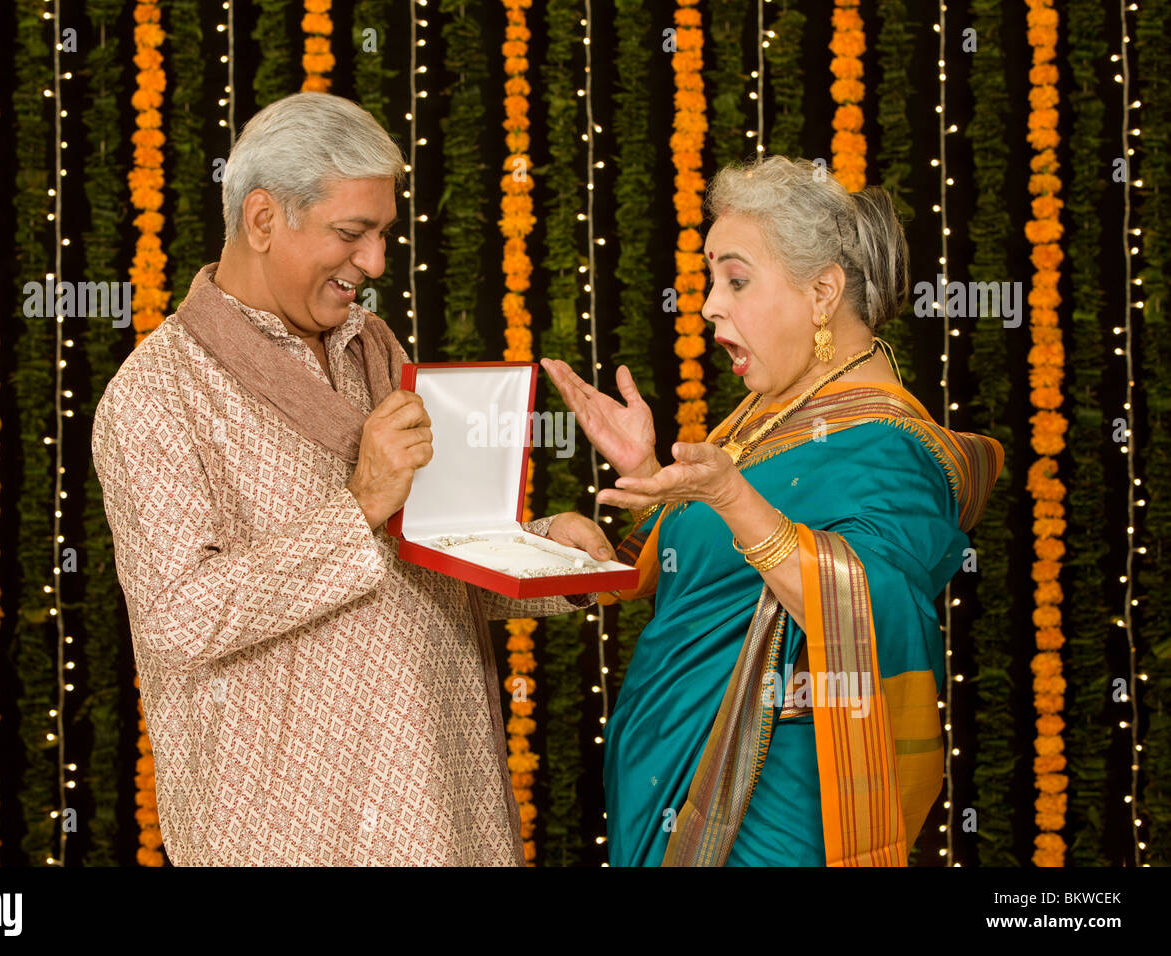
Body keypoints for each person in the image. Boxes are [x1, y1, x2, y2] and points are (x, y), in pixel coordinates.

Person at [91, 92, 613, 866]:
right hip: (296, 834)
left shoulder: (372, 345)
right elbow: (177, 624)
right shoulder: (157, 393)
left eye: (381, 236)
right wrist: (359, 504)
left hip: (450, 804)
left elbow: (424, 552)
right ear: (263, 220)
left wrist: (548, 555)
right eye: (351, 233)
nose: (372, 264)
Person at [543, 155, 1004, 866]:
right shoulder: (767, 414)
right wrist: (641, 474)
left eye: (735, 280)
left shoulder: (890, 445)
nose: (708, 306)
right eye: (709, 281)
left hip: (775, 794)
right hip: (665, 772)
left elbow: (874, 607)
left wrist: (728, 493)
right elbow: (702, 575)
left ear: (822, 293)